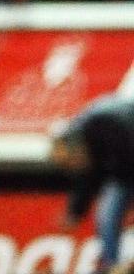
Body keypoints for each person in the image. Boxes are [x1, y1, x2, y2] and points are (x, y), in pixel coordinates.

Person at [51, 96, 134, 272]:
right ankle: (112, 265)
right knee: (107, 214)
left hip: (127, 166)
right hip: (124, 173)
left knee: (109, 211)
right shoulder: (89, 143)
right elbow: (87, 177)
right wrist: (75, 212)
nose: (71, 167)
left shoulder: (106, 126)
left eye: (68, 163)